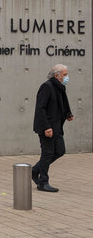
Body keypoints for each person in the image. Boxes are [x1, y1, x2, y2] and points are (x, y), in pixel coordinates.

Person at [32, 64, 74, 192]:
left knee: (60, 151)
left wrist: (68, 113)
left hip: (57, 126)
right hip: (48, 127)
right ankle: (43, 182)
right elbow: (40, 108)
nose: (67, 77)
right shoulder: (47, 86)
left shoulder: (60, 87)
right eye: (65, 74)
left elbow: (62, 102)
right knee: (48, 153)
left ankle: (34, 170)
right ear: (57, 76)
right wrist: (46, 127)